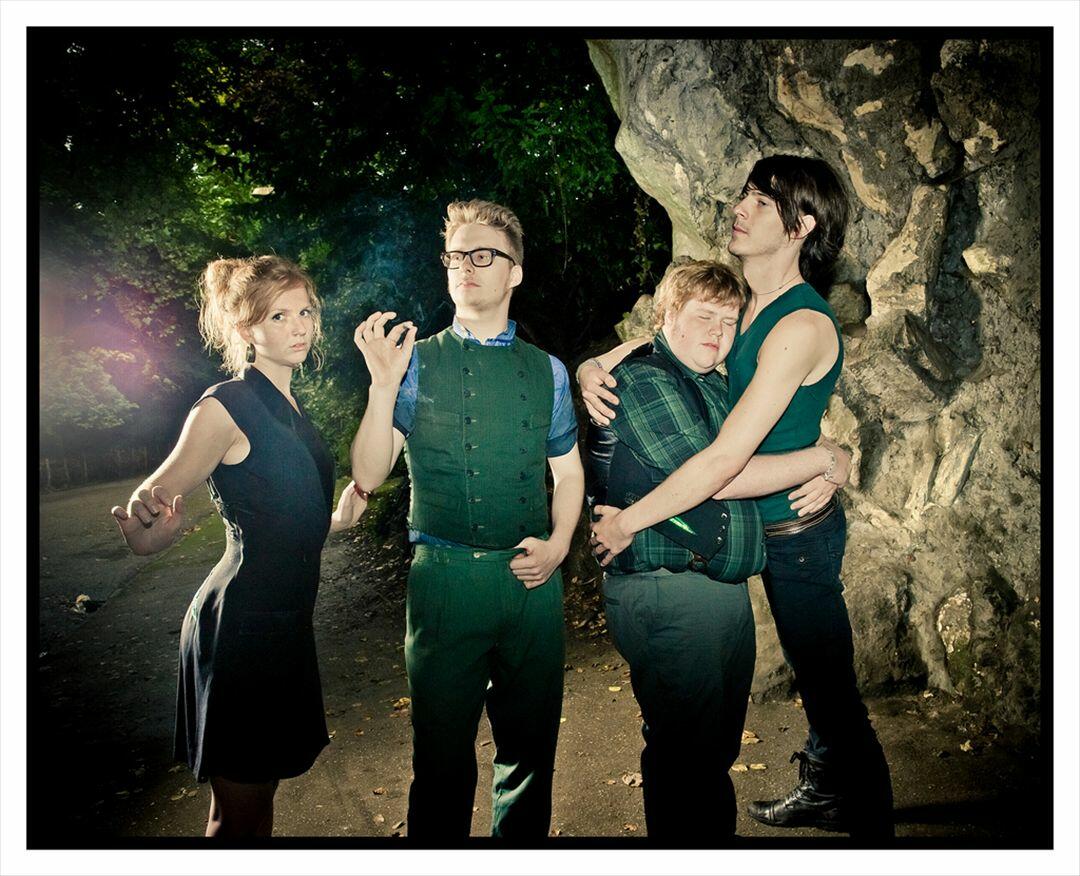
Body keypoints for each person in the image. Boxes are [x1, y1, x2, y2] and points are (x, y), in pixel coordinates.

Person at [582, 155, 894, 838]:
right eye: (744, 193)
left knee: (829, 688)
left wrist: (827, 458)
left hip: (795, 531)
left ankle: (870, 825)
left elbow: (725, 462)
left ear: (801, 225)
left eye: (761, 200)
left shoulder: (799, 324)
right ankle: (826, 781)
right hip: (750, 523)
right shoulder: (745, 305)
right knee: (809, 685)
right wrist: (592, 365)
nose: (740, 207)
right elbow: (668, 339)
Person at [350, 199, 584, 839]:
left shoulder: (547, 371)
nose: (466, 267)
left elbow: (568, 473)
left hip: (532, 585)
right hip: (446, 584)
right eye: (456, 256)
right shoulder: (416, 362)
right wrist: (381, 385)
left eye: (483, 255)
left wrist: (560, 543)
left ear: (515, 272)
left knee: (530, 756)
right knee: (441, 761)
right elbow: (369, 473)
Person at [110, 256, 368, 837]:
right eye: (279, 316)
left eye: (305, 312)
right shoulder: (224, 405)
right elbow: (150, 501)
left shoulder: (290, 406)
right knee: (241, 816)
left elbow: (276, 516)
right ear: (246, 329)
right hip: (241, 630)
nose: (300, 326)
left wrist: (333, 522)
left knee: (252, 804)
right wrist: (150, 531)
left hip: (283, 627)